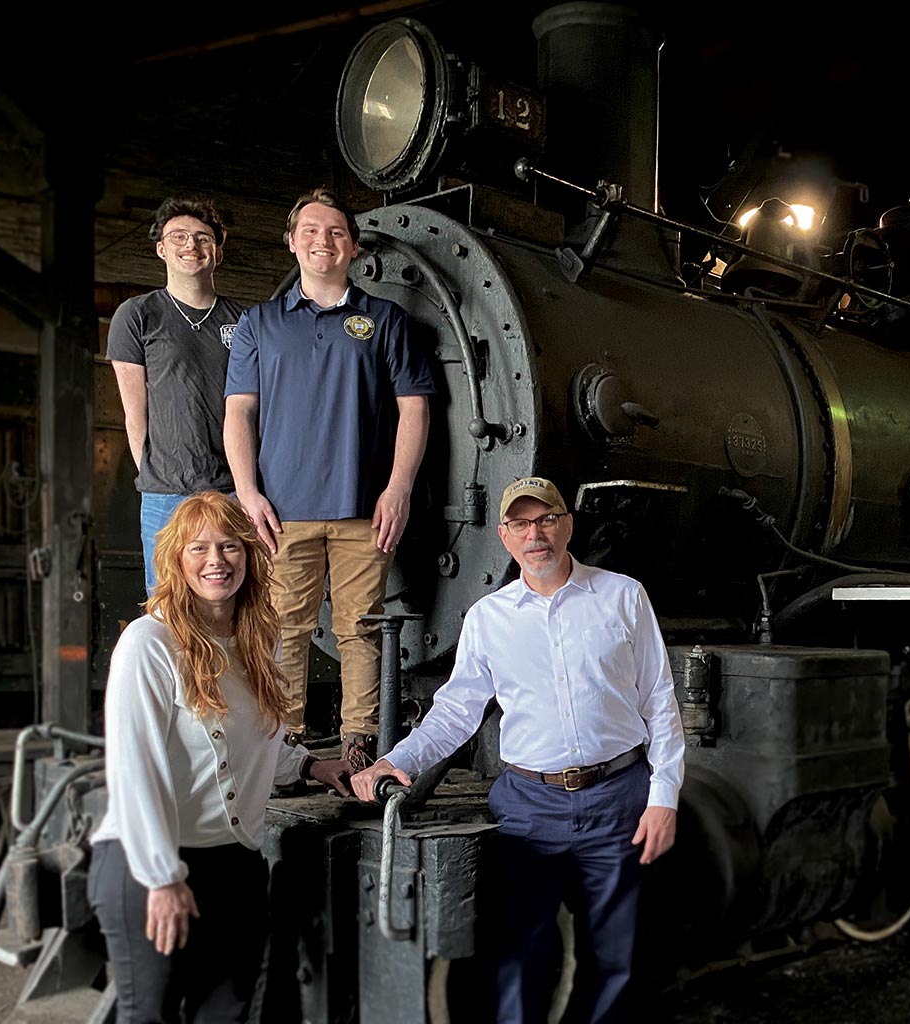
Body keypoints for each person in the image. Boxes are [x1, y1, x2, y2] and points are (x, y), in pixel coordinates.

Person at [351, 476, 685, 1024]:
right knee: (522, 952)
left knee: (616, 958)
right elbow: (457, 710)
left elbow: (661, 702)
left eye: (548, 519)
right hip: (531, 806)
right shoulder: (488, 618)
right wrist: (399, 759)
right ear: (504, 535)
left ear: (568, 524)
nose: (537, 534)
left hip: (619, 798)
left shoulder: (624, 595)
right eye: (522, 524)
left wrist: (663, 797)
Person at [87, 491, 350, 1023]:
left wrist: (309, 767)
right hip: (150, 863)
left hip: (234, 865)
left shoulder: (258, 640)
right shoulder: (149, 643)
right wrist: (162, 877)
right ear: (175, 559)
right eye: (199, 548)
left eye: (231, 546)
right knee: (151, 1016)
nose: (216, 561)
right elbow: (132, 771)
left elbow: (254, 741)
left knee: (225, 1016)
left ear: (250, 555)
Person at [224, 187, 434, 772]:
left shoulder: (385, 319)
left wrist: (398, 488)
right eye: (311, 231)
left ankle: (357, 744)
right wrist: (247, 492)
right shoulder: (258, 324)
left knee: (359, 631)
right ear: (292, 242)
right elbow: (238, 413)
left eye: (336, 232)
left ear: (353, 246)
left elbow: (414, 410)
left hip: (364, 510)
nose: (324, 241)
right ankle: (285, 753)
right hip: (280, 512)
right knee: (283, 632)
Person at [108, 196, 245, 596]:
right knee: (167, 606)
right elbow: (135, 415)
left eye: (203, 238)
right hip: (165, 493)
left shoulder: (243, 320)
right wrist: (159, 475)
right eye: (180, 236)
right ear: (161, 248)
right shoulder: (136, 315)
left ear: (217, 252)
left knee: (236, 604)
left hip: (231, 490)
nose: (192, 246)